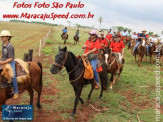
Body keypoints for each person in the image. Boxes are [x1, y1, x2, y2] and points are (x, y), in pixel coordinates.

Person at [0, 30, 18, 99]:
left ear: (8, 37)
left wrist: (2, 63)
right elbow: (3, 53)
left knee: (12, 75)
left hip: (10, 62)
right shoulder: (3, 44)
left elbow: (11, 58)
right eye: (1, 37)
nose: (1, 38)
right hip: (3, 60)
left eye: (3, 37)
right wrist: (1, 58)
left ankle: (16, 91)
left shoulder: (10, 47)